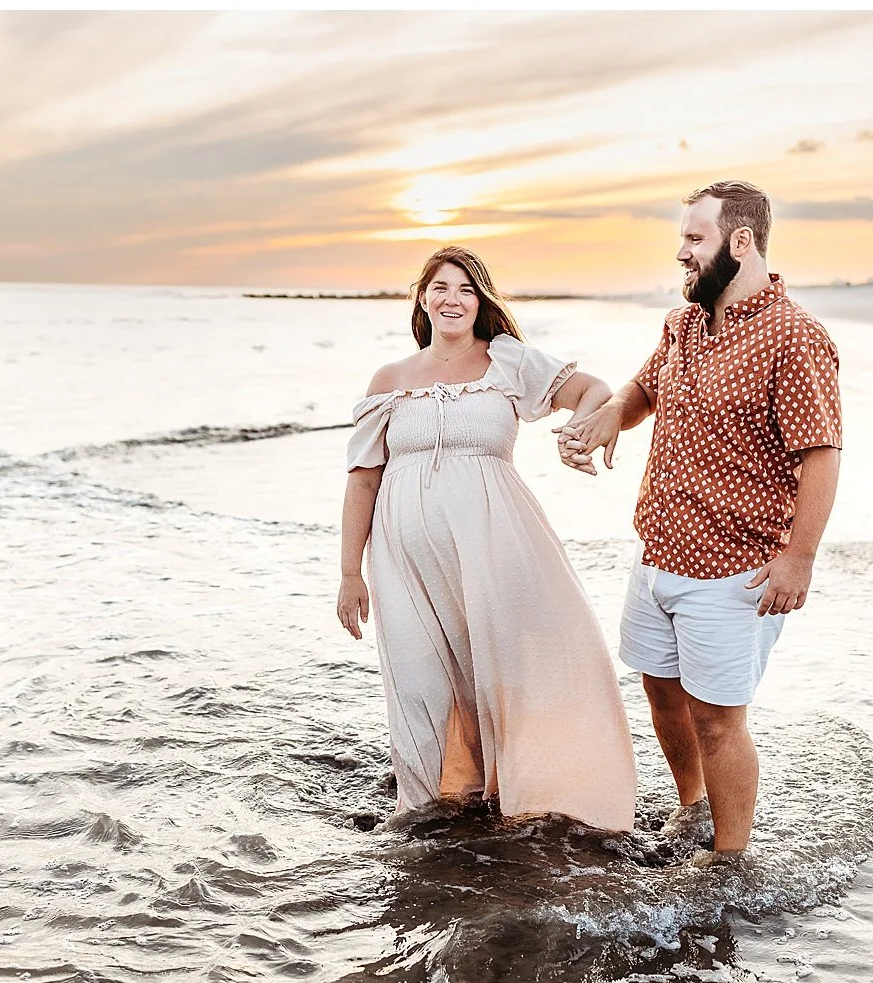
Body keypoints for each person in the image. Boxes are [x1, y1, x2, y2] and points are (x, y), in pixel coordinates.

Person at [557, 181, 842, 858]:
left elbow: (822, 455)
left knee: (717, 720)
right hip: (657, 554)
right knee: (660, 690)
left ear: (740, 242)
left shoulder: (794, 337)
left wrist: (798, 559)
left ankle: (728, 858)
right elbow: (643, 388)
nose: (681, 253)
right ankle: (693, 808)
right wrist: (606, 419)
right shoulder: (683, 323)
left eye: (695, 238)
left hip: (733, 569)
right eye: (683, 237)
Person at [337, 245, 637, 833]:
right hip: (404, 562)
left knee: (502, 672)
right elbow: (363, 477)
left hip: (496, 549)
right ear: (423, 298)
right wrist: (352, 573)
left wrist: (581, 434)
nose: (453, 299)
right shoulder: (390, 380)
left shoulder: (507, 361)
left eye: (467, 289)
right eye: (442, 288)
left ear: (482, 301)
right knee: (416, 677)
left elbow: (595, 389)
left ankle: (519, 803)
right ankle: (420, 813)